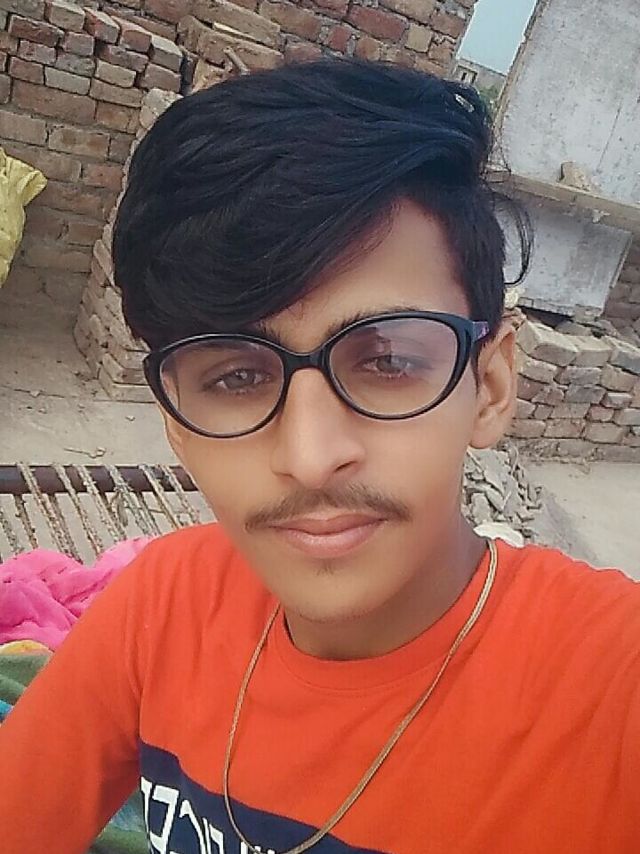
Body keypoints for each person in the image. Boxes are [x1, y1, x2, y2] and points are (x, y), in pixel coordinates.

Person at [1, 59, 638, 854]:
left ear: (490, 386)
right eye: (236, 377)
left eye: (387, 361)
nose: (309, 457)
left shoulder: (610, 688)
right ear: (175, 423)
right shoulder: (162, 606)